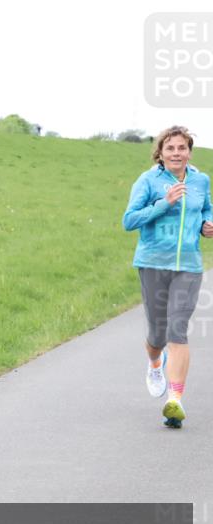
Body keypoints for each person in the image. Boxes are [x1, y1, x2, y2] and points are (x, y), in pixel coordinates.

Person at [122, 125, 213, 428]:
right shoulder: (148, 181)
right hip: (152, 263)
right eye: (170, 148)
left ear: (189, 151)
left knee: (178, 330)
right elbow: (129, 220)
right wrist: (165, 203)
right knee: (157, 335)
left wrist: (207, 225)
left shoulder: (201, 180)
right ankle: (154, 362)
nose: (176, 153)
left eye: (182, 147)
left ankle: (174, 401)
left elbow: (207, 210)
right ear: (160, 153)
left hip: (188, 265)